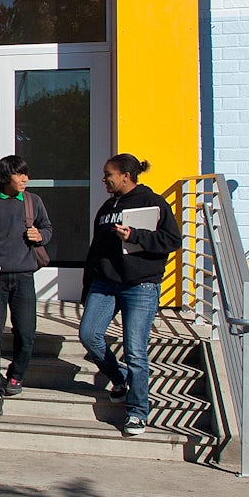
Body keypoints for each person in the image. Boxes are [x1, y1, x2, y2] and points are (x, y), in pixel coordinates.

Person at [79, 153, 182, 439]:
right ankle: (121, 378)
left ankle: (137, 411)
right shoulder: (106, 207)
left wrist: (135, 236)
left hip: (140, 286)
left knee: (136, 351)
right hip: (104, 284)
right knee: (89, 335)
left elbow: (172, 241)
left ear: (126, 175)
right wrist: (88, 288)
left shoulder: (154, 202)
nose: (104, 179)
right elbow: (96, 250)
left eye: (108, 174)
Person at [0, 154, 53, 420]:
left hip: (25, 276)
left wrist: (41, 235)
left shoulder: (33, 202)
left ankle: (16, 376)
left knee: (26, 333)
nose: (25, 178)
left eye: (26, 173)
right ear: (5, 177)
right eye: (19, 174)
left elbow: (47, 228)